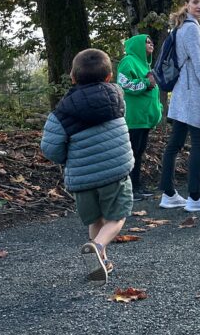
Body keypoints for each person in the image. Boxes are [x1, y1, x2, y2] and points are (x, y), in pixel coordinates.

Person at [40, 48, 134, 283]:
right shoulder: (117, 99)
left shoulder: (61, 112)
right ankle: (98, 246)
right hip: (114, 174)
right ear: (108, 78)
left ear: (73, 77)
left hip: (82, 179)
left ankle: (101, 260)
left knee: (95, 219)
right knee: (116, 217)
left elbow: (50, 148)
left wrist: (70, 159)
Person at [158, 0, 200, 212]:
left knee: (175, 143)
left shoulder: (182, 27)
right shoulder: (192, 29)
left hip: (181, 92)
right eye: (196, 2)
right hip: (192, 91)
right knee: (198, 141)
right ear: (187, 4)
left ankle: (168, 193)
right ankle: (194, 197)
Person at [117, 34, 162, 201]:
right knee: (132, 153)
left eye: (151, 41)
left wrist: (158, 108)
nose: (151, 44)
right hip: (134, 118)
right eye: (146, 42)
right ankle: (129, 189)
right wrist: (145, 83)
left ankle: (137, 185)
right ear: (137, 45)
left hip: (144, 119)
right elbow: (124, 84)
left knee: (139, 152)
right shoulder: (128, 61)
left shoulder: (146, 64)